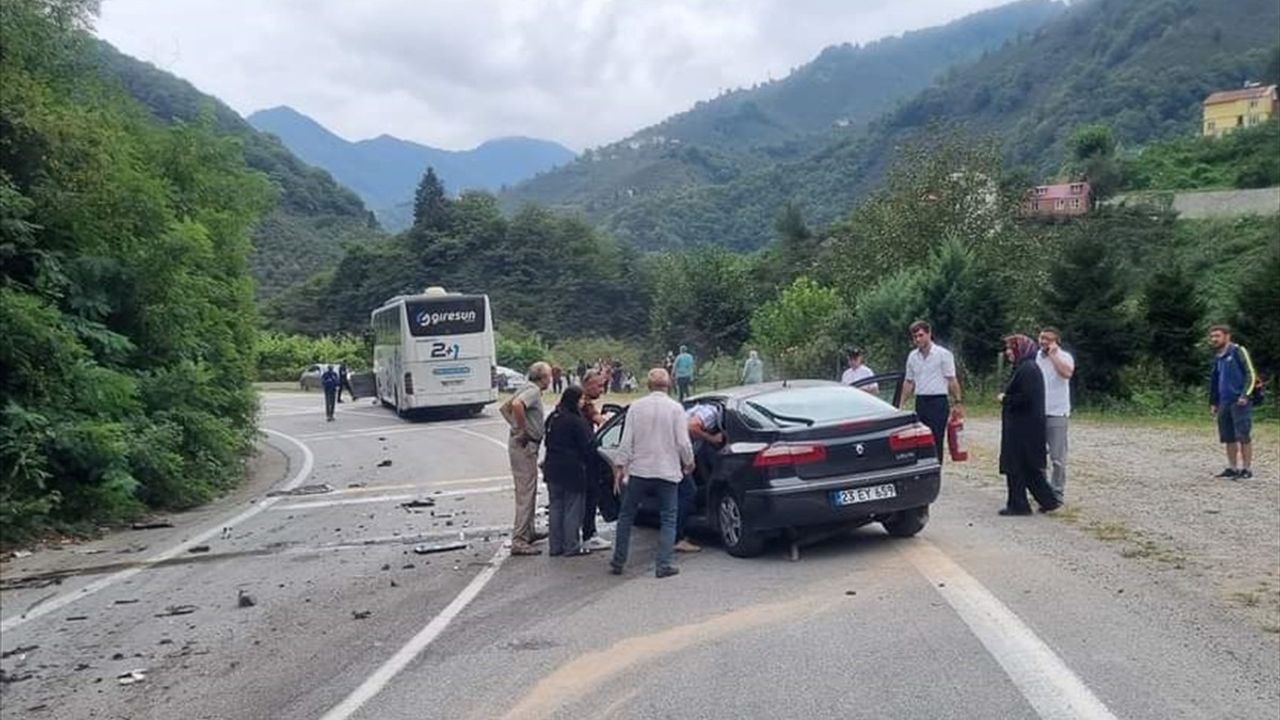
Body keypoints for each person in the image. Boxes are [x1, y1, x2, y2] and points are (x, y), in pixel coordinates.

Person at [609, 369, 694, 579]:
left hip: (640, 471)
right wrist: (689, 462)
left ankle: (618, 561)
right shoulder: (676, 409)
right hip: (667, 471)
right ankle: (663, 564)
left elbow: (626, 440)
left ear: (648, 385)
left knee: (626, 515)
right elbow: (683, 442)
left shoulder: (636, 407)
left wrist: (620, 466)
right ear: (670, 384)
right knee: (668, 518)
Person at [997, 335, 1060, 515]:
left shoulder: (1028, 369)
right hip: (1023, 425)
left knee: (1017, 466)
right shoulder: (1024, 367)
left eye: (1011, 348)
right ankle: (1047, 501)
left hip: (1023, 427)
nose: (1008, 352)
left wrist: (1005, 399)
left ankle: (1019, 505)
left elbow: (1026, 398)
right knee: (1027, 467)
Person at [543, 387, 597, 557]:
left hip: (552, 467)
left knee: (556, 507)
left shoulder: (553, 418)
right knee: (573, 508)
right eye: (581, 399)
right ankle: (571, 545)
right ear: (575, 400)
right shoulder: (575, 421)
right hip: (572, 469)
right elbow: (589, 444)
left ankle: (555, 546)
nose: (582, 402)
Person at [899, 321, 963, 462]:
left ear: (929, 334)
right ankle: (923, 468)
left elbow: (952, 379)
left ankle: (936, 467)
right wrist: (901, 404)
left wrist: (957, 402)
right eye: (915, 337)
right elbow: (909, 382)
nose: (918, 339)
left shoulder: (943, 354)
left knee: (936, 439)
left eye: (921, 335)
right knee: (920, 438)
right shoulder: (912, 356)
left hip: (938, 401)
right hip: (921, 401)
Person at [506, 362, 552, 556]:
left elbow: (506, 407)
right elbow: (516, 405)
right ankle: (519, 540)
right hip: (525, 445)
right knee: (526, 491)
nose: (551, 379)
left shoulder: (526, 387)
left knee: (529, 490)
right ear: (542, 378)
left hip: (524, 444)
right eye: (549, 376)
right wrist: (523, 430)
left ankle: (528, 531)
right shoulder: (532, 391)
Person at [1209, 325, 1259, 480]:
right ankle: (1232, 467)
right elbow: (1215, 380)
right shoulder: (1219, 356)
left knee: (1243, 435)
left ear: (1227, 336)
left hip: (1240, 401)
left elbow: (1251, 374)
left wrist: (1245, 395)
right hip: (1224, 402)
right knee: (1228, 436)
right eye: (1212, 337)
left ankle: (1246, 469)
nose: (1214, 339)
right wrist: (1214, 401)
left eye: (1217, 336)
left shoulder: (1238, 351)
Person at [678, 402, 725, 553]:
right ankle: (677, 537)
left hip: (672, 451)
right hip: (677, 453)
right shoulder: (711, 412)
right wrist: (712, 439)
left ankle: (676, 533)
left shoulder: (697, 409)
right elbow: (691, 427)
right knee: (687, 492)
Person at [1036, 328, 1075, 502]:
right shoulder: (1035, 357)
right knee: (1037, 455)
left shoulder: (1064, 356)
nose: (1043, 341)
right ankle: (1042, 492)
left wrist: (1053, 356)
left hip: (1057, 412)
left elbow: (1067, 373)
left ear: (1056, 341)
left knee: (1057, 457)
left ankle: (1057, 491)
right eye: (1041, 338)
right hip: (1037, 412)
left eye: (1047, 339)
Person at [578, 369, 612, 551]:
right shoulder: (585, 404)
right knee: (591, 495)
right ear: (588, 385)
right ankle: (589, 534)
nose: (601, 389)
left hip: (576, 455)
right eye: (599, 385)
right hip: (584, 457)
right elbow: (599, 421)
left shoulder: (579, 401)